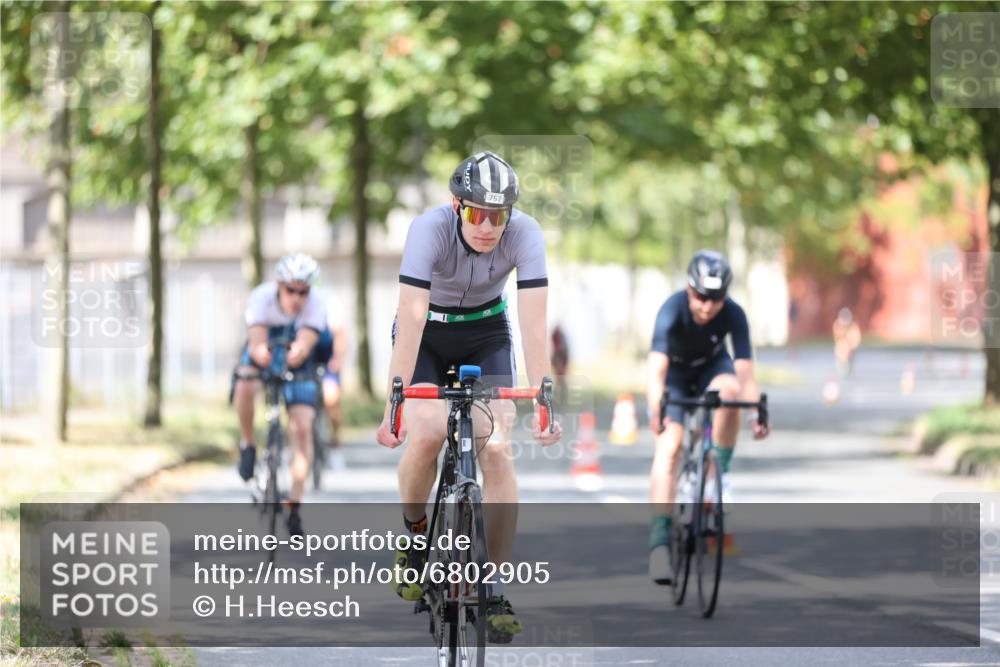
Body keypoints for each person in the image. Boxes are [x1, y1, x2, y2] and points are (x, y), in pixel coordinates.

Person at [375, 151, 562, 644]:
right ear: (456, 205)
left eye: (498, 216)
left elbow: (534, 323)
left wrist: (544, 401)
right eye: (477, 213)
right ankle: (416, 540)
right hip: (427, 332)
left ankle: (492, 586)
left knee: (498, 447)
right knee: (430, 432)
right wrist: (394, 405)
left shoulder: (527, 234)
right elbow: (411, 316)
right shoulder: (428, 229)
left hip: (486, 332)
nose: (487, 226)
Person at [645, 250, 770, 584]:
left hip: (713, 371)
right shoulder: (671, 310)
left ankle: (720, 472)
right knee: (669, 448)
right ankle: (659, 543)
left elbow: (746, 373)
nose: (707, 306)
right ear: (689, 289)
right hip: (675, 375)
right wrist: (656, 409)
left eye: (716, 298)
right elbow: (656, 371)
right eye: (701, 296)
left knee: (730, 392)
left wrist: (756, 410)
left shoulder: (733, 314)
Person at [234, 253, 326, 537]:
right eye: (290, 290)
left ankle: (294, 506)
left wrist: (292, 358)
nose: (296, 297)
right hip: (264, 346)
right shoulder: (261, 298)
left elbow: (302, 350)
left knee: (301, 427)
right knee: (245, 384)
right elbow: (257, 345)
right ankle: (248, 443)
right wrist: (266, 361)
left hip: (298, 357)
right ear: (279, 285)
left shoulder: (316, 306)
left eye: (303, 291)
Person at [312, 308, 348, 470]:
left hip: (328, 363)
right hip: (306, 362)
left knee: (331, 399)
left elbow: (340, 336)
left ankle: (335, 443)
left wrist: (337, 360)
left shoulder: (328, 305)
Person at [832, 307, 861, 377]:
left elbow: (856, 338)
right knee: (840, 350)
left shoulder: (853, 326)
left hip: (850, 345)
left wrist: (851, 346)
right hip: (842, 345)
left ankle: (848, 365)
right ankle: (841, 364)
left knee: (850, 353)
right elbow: (838, 338)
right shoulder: (837, 325)